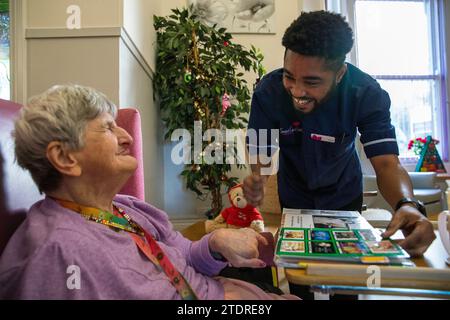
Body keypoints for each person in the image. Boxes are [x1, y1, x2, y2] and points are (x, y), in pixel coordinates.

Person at [0, 85, 298, 300]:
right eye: (107, 128)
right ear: (65, 158)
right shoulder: (55, 254)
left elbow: (184, 255)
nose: (126, 136)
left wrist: (216, 244)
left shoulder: (126, 208)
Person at [243, 11, 435, 258]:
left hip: (344, 195)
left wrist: (408, 205)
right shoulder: (268, 91)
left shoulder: (365, 93)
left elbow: (387, 164)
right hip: (294, 196)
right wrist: (258, 177)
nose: (297, 91)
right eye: (289, 77)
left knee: (347, 275)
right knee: (301, 277)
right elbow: (261, 152)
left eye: (312, 82)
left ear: (340, 74)